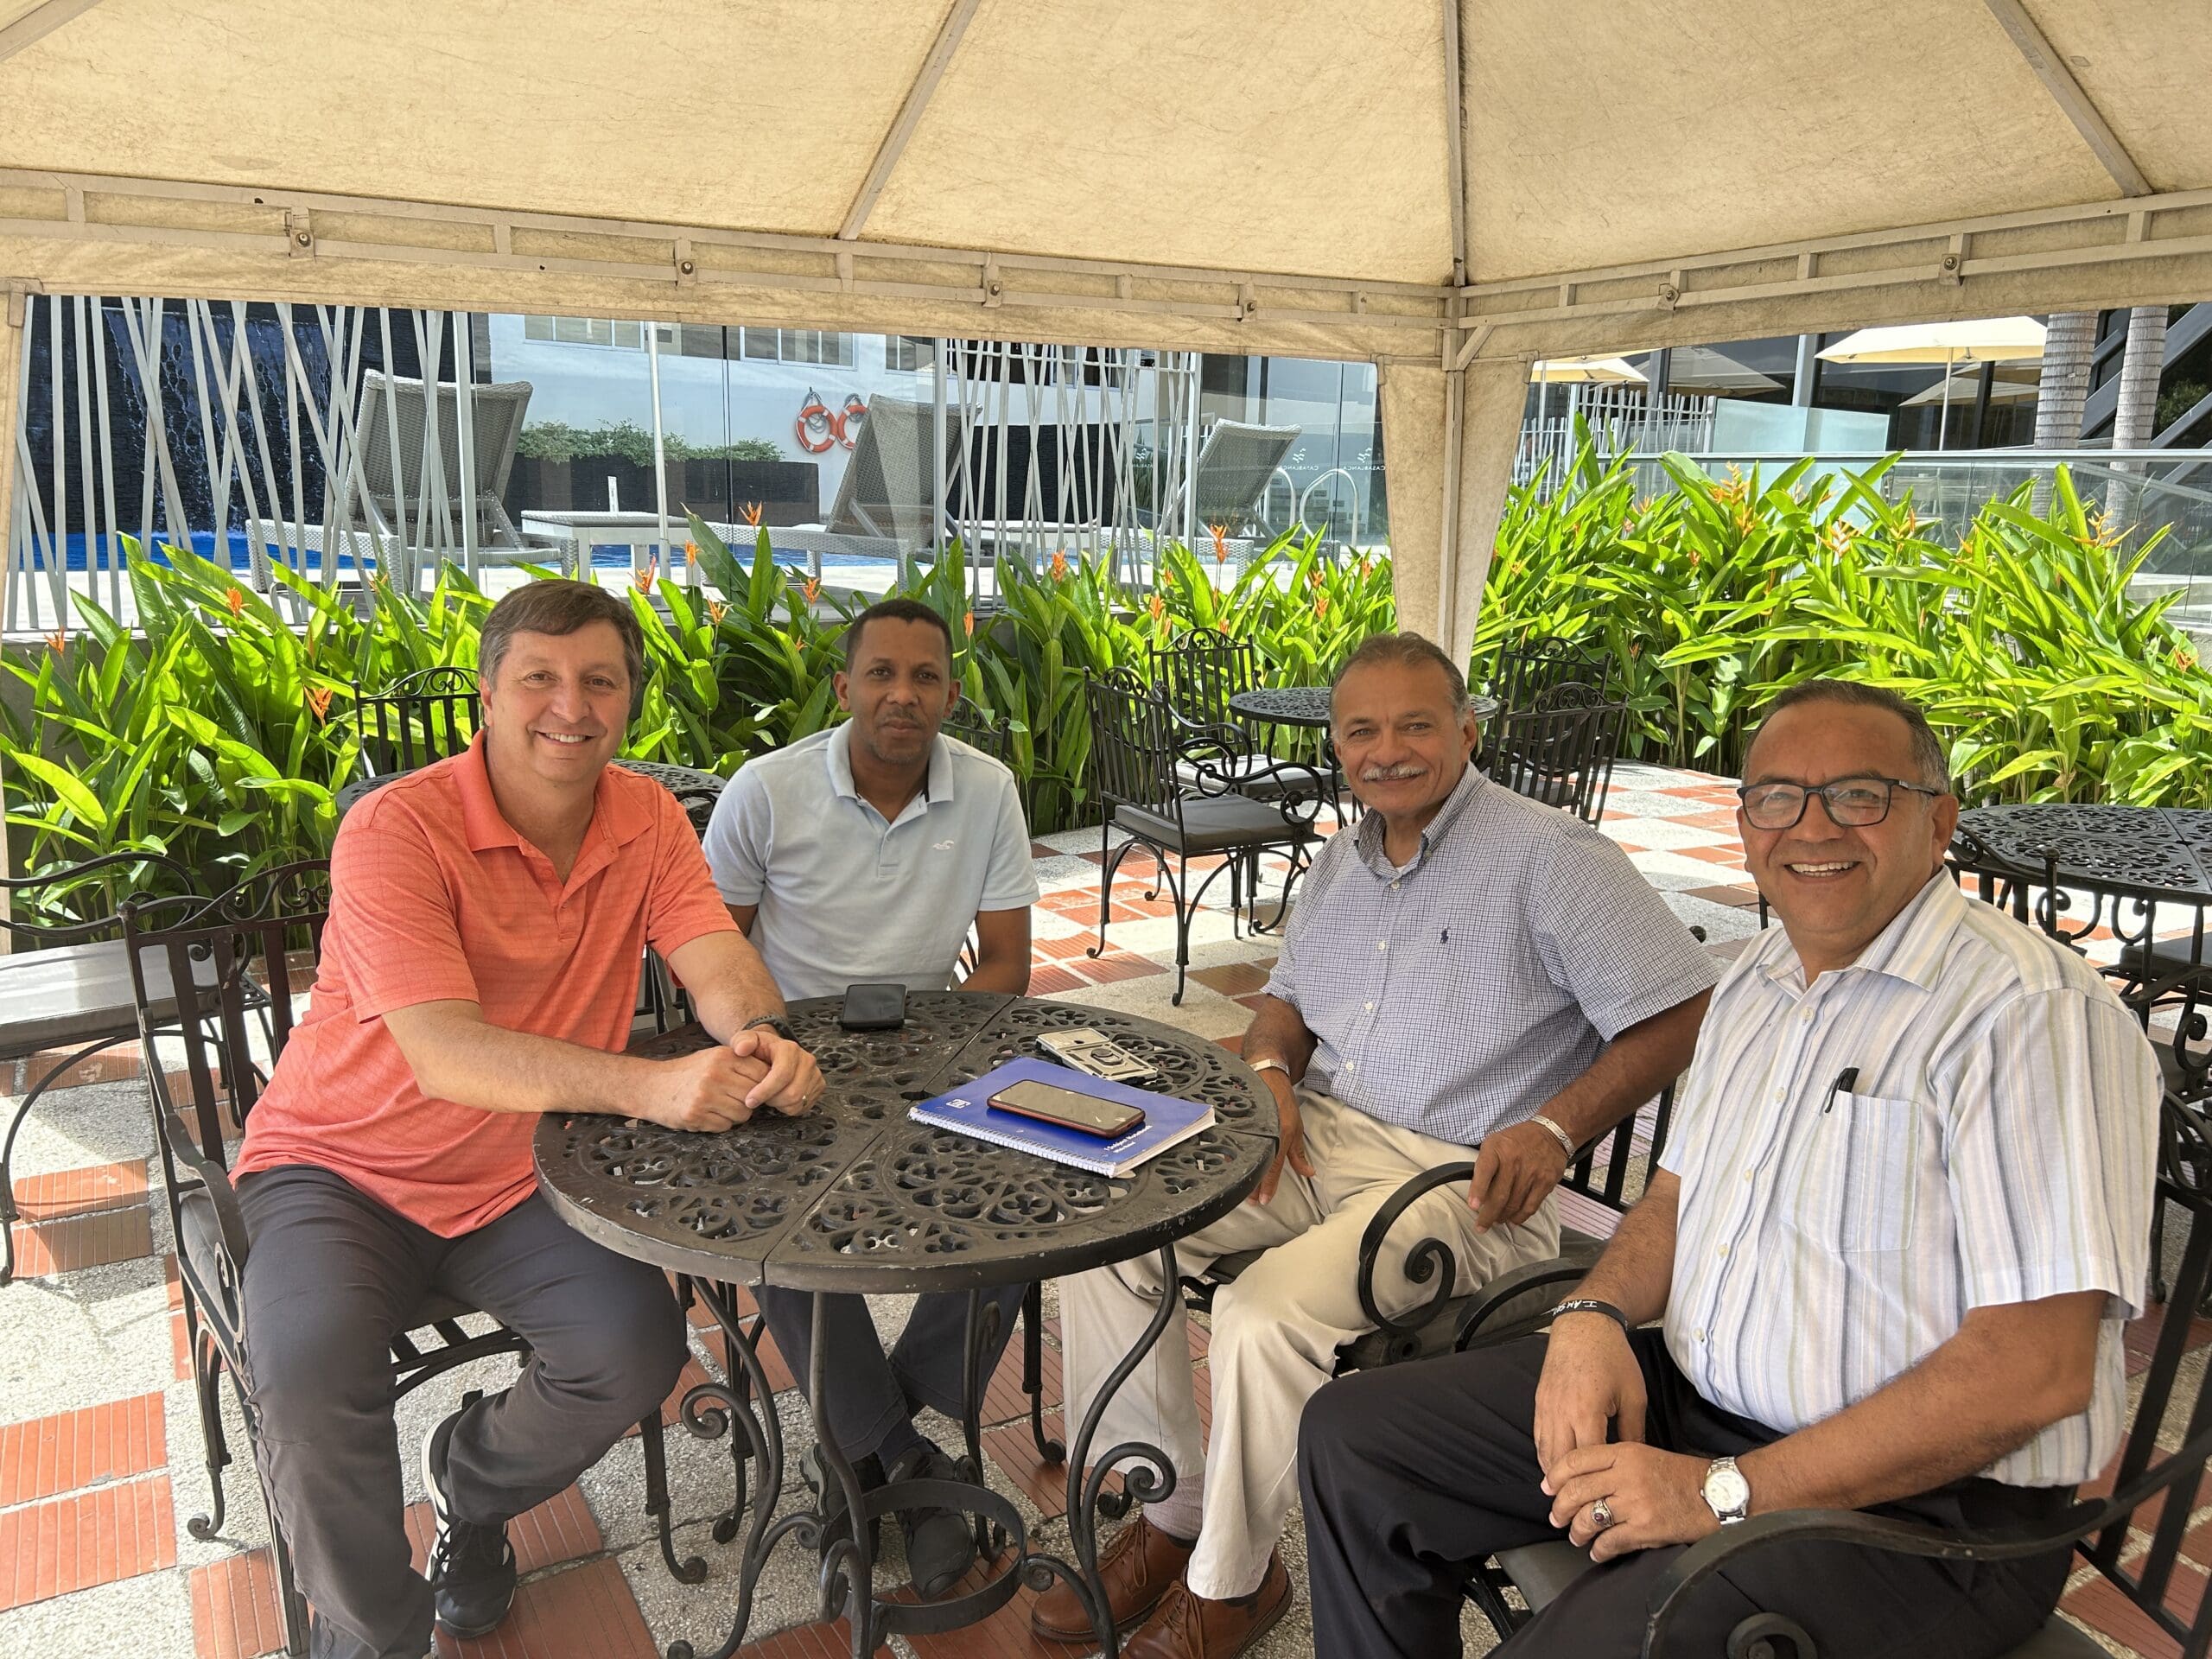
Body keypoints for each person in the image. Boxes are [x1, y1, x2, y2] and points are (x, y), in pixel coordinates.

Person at [1298, 679, 2160, 1659]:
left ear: (1939, 821)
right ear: (1747, 826)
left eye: (1859, 795)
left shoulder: (2031, 1017)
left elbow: (2029, 1375)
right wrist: (1591, 1318)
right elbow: (1676, 1193)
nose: (1811, 827)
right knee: (1354, 1440)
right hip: (1698, 1409)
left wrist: (1718, 1493)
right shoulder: (1755, 978)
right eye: (1776, 798)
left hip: (1928, 1516)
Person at [1039, 632, 1717, 1659]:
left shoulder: (1549, 855)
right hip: (1319, 1140)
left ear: (1466, 731)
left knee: (1261, 1311)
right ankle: (1174, 1510)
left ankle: (1233, 1581)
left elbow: (1680, 1010)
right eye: (1363, 730)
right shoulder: (1341, 860)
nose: (1387, 750)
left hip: (1460, 1182)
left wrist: (1554, 1125)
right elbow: (1287, 1003)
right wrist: (1270, 1074)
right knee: (1109, 1222)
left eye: (1415, 725)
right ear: (1338, 744)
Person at [232, 580, 825, 1659]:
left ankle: (470, 1482)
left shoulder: (643, 816)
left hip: (521, 1176)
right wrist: (652, 1087)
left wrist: (759, 1034)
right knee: (310, 1374)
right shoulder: (395, 829)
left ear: (629, 702)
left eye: (599, 680)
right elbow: (444, 1052)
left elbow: (714, 956)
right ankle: (371, 1633)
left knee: (634, 1350)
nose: (571, 705)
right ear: (488, 698)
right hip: (341, 1171)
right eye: (539, 679)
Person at [701, 596, 1040, 1598]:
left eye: (925, 676)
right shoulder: (765, 791)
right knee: (779, 1221)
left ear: (948, 692)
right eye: (881, 674)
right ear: (843, 686)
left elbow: (1010, 965)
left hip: (936, 1058)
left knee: (1041, 1196)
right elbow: (713, 952)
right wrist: (779, 1055)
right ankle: (909, 1463)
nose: (903, 694)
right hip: (790, 1060)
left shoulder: (986, 790)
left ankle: (870, 1436)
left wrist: (926, 1057)